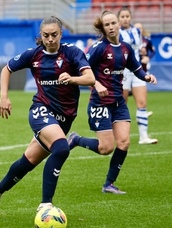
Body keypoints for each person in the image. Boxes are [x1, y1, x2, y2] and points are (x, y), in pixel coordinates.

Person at [0, 16, 96, 215]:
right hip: (41, 110)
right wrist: (4, 97)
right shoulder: (33, 55)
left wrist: (72, 79)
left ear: (61, 34)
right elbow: (6, 69)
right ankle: (46, 205)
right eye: (46, 35)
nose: (50, 39)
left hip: (65, 117)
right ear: (41, 36)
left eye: (54, 35)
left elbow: (90, 78)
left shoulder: (72, 53)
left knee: (28, 161)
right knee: (62, 148)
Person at [67, 10, 157, 194]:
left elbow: (136, 68)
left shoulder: (125, 48)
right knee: (105, 148)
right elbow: (83, 71)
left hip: (118, 102)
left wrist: (146, 76)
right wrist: (97, 84)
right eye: (107, 24)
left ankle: (109, 184)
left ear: (118, 24)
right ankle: (76, 139)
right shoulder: (99, 47)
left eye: (113, 23)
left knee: (123, 142)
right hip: (99, 103)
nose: (111, 27)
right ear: (103, 27)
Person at [118, 7, 157, 144]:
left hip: (137, 70)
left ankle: (143, 136)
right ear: (119, 19)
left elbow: (142, 49)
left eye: (127, 16)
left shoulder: (137, 31)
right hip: (123, 72)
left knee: (142, 103)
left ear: (130, 17)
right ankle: (120, 136)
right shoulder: (117, 33)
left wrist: (145, 57)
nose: (125, 19)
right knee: (121, 105)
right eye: (122, 16)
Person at [134, 22, 155, 117]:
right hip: (129, 71)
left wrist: (148, 58)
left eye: (140, 28)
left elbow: (153, 51)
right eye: (136, 28)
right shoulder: (130, 41)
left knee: (141, 98)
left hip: (142, 70)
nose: (138, 30)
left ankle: (142, 112)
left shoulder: (147, 40)